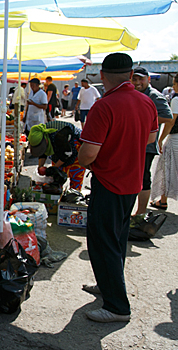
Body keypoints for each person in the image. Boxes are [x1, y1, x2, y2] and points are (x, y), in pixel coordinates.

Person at [78, 53, 158, 323]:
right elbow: (151, 136)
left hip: (110, 181)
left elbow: (88, 154)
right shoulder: (146, 102)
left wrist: (84, 159)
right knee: (117, 239)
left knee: (102, 242)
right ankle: (107, 285)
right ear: (131, 73)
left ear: (102, 75)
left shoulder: (105, 105)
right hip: (132, 182)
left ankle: (117, 307)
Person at [130, 67, 174, 216]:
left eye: (140, 79)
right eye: (134, 79)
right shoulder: (133, 94)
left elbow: (168, 117)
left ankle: (141, 212)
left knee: (143, 179)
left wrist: (143, 121)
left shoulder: (154, 96)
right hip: (132, 144)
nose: (137, 82)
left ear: (148, 79)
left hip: (147, 145)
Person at [29, 120, 85, 190]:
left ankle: (74, 194)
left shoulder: (60, 136)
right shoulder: (41, 135)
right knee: (57, 178)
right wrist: (40, 166)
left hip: (75, 150)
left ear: (46, 140)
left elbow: (66, 154)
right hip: (59, 150)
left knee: (75, 176)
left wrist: (54, 167)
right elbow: (43, 152)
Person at [151, 75, 178, 209]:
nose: (173, 87)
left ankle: (163, 200)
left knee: (168, 169)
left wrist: (161, 139)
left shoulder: (176, 99)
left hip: (175, 139)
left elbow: (171, 121)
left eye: (174, 84)